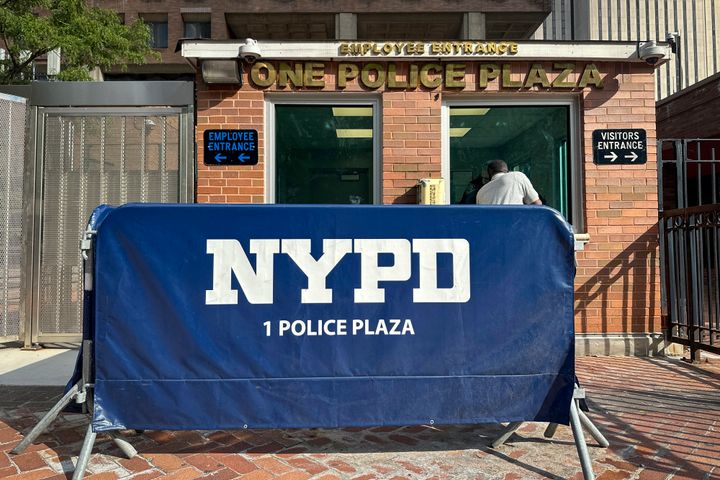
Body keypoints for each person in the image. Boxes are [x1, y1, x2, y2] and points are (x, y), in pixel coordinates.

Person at [475, 159, 542, 205]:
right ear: (507, 171)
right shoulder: (517, 176)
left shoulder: (480, 192)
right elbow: (536, 204)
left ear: (489, 173)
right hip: (515, 224)